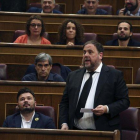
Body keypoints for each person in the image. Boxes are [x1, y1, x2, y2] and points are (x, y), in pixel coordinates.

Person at [59, 40, 130, 131]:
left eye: (90, 52)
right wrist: (64, 123)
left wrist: (106, 108)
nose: (86, 55)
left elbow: (124, 101)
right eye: (84, 52)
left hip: (103, 131)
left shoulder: (114, 75)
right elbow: (65, 103)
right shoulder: (73, 76)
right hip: (75, 131)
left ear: (100, 55)